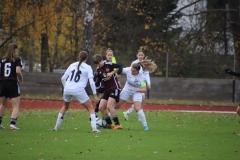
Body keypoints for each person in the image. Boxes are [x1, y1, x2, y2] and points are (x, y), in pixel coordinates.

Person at [53, 51, 100, 133]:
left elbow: (63, 78)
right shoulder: (88, 67)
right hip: (79, 89)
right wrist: (95, 95)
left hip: (67, 88)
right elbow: (92, 82)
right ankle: (94, 129)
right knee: (90, 108)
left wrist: (67, 88)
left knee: (65, 107)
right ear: (87, 59)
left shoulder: (72, 65)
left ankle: (56, 127)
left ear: (78, 57)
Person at [114, 59, 157, 130]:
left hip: (137, 92)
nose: (131, 72)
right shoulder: (128, 70)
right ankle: (108, 120)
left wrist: (139, 90)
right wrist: (113, 73)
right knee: (117, 105)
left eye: (133, 71)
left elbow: (144, 89)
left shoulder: (141, 77)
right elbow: (119, 70)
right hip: (127, 89)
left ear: (138, 71)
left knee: (137, 108)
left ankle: (145, 126)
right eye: (131, 70)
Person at [93, 54, 123, 129]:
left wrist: (114, 73)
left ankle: (118, 125)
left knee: (109, 106)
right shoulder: (98, 69)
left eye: (98, 63)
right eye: (96, 64)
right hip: (107, 90)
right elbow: (99, 79)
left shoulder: (108, 65)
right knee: (101, 107)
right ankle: (109, 124)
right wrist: (95, 84)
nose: (98, 65)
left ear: (101, 60)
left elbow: (120, 66)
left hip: (114, 88)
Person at [123, 50, 152, 121]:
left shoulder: (145, 64)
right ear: (137, 55)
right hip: (136, 85)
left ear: (143, 56)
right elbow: (130, 71)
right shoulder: (134, 63)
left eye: (142, 55)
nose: (141, 56)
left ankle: (128, 112)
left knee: (142, 100)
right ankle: (136, 115)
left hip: (142, 84)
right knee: (140, 100)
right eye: (139, 55)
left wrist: (148, 83)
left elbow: (146, 74)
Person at [0, 43, 23, 130]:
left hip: (2, 83)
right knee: (16, 105)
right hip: (12, 82)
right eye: (17, 50)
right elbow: (17, 71)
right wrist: (21, 77)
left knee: (3, 104)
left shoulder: (2, 60)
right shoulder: (17, 59)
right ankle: (12, 124)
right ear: (15, 50)